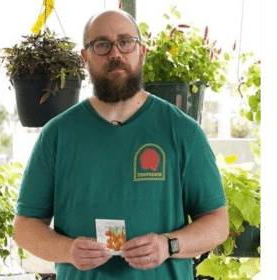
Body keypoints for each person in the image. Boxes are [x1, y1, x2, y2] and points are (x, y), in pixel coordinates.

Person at [13, 10, 229, 280]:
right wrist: (68, 250)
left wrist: (169, 245)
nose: (115, 53)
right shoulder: (57, 134)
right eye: (101, 45)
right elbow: (25, 226)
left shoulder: (183, 131)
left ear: (142, 51)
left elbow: (217, 222)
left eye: (125, 42)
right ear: (85, 57)